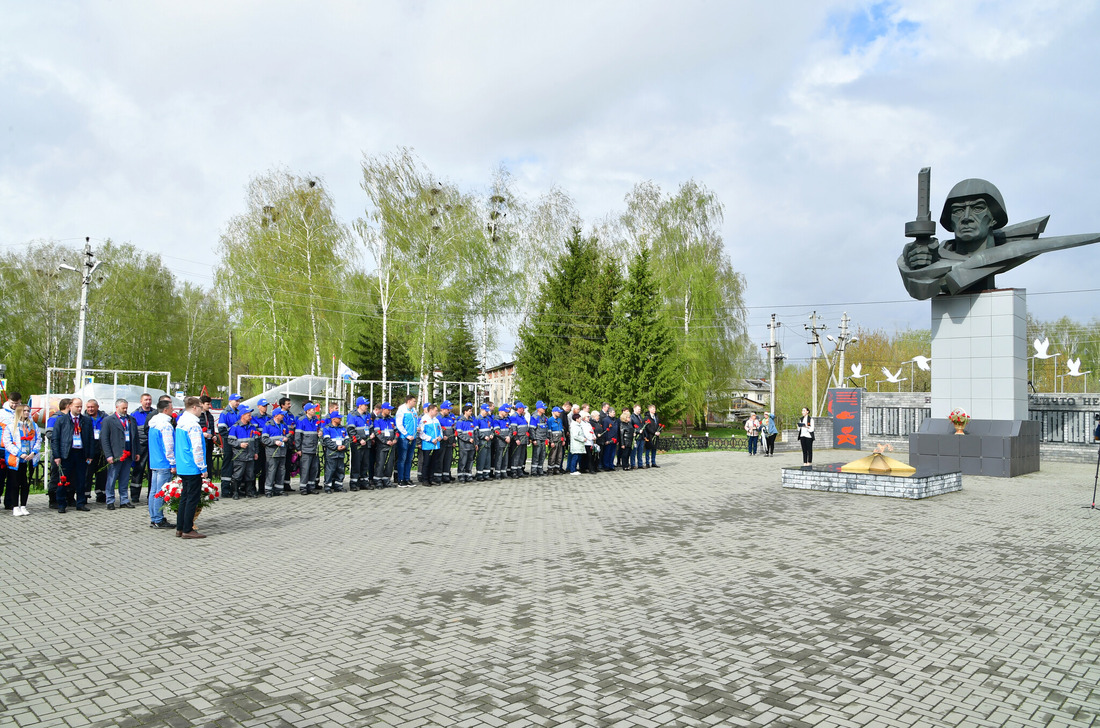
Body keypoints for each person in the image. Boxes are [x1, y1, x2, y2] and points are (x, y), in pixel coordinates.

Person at [52, 397, 95, 513]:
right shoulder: (61, 421)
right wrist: (57, 456)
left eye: (81, 406)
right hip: (67, 453)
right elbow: (55, 439)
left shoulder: (86, 421)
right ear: (70, 406)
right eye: (77, 406)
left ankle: (80, 502)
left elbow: (91, 439)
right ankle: (61, 503)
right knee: (64, 480)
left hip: (81, 453)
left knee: (81, 479)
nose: (79, 408)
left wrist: (90, 455)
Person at [174, 397, 208, 539]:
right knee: (192, 499)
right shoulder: (193, 425)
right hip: (192, 466)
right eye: (200, 407)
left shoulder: (181, 422)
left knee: (185, 497)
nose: (202, 410)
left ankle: (180, 527)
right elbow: (197, 448)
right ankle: (188, 529)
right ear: (194, 407)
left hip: (182, 465)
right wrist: (203, 467)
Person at [101, 398, 139, 510]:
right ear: (117, 407)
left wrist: (136, 452)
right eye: (123, 408)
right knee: (112, 478)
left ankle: (124, 500)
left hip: (128, 453)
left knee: (125, 478)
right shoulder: (109, 420)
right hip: (116, 454)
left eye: (126, 407)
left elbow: (135, 437)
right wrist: (108, 455)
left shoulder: (131, 419)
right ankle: (110, 500)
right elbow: (104, 439)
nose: (125, 410)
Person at [3, 404, 39, 516]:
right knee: (14, 484)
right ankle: (15, 506)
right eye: (24, 411)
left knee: (25, 483)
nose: (27, 413)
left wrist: (34, 452)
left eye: (28, 411)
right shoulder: (10, 426)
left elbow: (38, 439)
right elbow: (7, 443)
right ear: (19, 412)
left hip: (29, 459)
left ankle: (23, 505)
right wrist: (19, 454)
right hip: (16, 460)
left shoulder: (33, 425)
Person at [146, 399, 177, 530]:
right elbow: (168, 446)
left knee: (154, 491)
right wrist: (173, 463)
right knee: (160, 492)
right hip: (164, 463)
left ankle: (154, 517)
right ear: (166, 410)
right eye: (171, 408)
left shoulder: (153, 423)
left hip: (154, 461)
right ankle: (158, 519)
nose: (172, 410)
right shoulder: (166, 425)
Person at [129, 393, 154, 504]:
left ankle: (151, 495)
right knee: (138, 470)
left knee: (152, 471)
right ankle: (135, 496)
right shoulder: (135, 414)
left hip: (153, 446)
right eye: (145, 400)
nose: (148, 402)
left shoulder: (155, 413)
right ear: (141, 401)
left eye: (149, 399)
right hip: (141, 446)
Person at [228, 406, 258, 499]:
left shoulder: (252, 427)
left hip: (250, 455)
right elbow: (230, 441)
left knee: (250, 475)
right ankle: (235, 492)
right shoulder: (235, 427)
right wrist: (239, 444)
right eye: (248, 415)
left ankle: (249, 492)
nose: (250, 417)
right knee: (237, 475)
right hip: (240, 455)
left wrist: (256, 452)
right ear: (243, 416)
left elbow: (256, 441)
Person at [84, 398, 107, 503]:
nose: (90, 409)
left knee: (102, 474)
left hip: (102, 450)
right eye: (88, 407)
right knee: (87, 474)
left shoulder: (105, 418)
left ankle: (101, 494)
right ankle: (85, 495)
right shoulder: (83, 418)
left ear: (97, 407)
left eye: (92, 407)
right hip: (89, 451)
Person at [261, 409, 289, 497]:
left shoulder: (284, 425)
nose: (283, 416)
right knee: (271, 471)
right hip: (272, 452)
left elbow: (288, 435)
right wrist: (274, 442)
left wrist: (287, 439)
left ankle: (279, 489)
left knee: (281, 471)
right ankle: (268, 490)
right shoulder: (268, 425)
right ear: (276, 415)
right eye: (282, 415)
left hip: (282, 452)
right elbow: (264, 439)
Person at [295, 403, 321, 495]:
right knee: (305, 469)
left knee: (313, 469)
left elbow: (318, 430)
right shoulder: (301, 420)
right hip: (305, 449)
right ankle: (303, 488)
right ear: (308, 411)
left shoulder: (315, 420)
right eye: (313, 409)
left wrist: (319, 434)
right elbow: (298, 436)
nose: (314, 411)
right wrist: (298, 449)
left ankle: (311, 487)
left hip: (314, 449)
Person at [217, 393, 242, 487]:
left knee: (236, 464)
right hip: (228, 443)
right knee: (227, 464)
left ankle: (235, 487)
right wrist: (231, 439)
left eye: (239, 401)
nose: (238, 403)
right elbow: (221, 430)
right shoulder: (225, 413)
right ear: (230, 401)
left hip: (237, 442)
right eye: (236, 401)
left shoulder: (238, 412)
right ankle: (225, 488)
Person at [347, 397, 371, 491]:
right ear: (360, 405)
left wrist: (372, 434)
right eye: (365, 405)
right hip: (357, 444)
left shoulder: (367, 415)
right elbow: (351, 430)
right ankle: (354, 483)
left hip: (367, 442)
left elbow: (370, 426)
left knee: (365, 463)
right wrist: (359, 439)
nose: (367, 407)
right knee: (356, 463)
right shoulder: (352, 415)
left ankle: (364, 482)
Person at [394, 395, 418, 487]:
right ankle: (400, 479)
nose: (415, 403)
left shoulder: (413, 410)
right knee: (402, 459)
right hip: (404, 438)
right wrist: (407, 435)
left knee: (409, 459)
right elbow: (399, 424)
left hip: (413, 437)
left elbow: (415, 421)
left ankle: (407, 478)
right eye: (413, 401)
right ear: (408, 401)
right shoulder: (402, 410)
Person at [372, 403, 398, 488]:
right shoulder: (377, 420)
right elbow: (377, 433)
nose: (390, 411)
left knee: (390, 463)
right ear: (383, 409)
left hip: (391, 445)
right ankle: (378, 480)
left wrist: (395, 439)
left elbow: (396, 431)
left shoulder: (391, 419)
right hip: (382, 445)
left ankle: (387, 479)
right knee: (380, 462)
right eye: (388, 409)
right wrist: (385, 441)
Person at [322, 412, 348, 493]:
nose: (340, 419)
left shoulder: (343, 429)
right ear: (333, 419)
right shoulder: (327, 428)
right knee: (330, 470)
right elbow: (327, 441)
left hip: (341, 454)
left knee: (340, 470)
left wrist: (345, 446)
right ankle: (328, 486)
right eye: (339, 418)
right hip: (332, 453)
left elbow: (347, 439)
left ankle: (338, 486)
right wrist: (336, 447)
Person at [251, 399, 271, 495]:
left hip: (268, 446)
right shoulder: (254, 417)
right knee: (256, 468)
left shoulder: (270, 418)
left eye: (266, 405)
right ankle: (253, 488)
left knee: (265, 468)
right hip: (258, 446)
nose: (265, 407)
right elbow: (254, 432)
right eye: (263, 406)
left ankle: (262, 488)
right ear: (258, 406)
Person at [455, 404, 477, 483]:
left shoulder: (471, 421)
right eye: (469, 411)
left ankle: (468, 474)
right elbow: (459, 434)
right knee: (463, 460)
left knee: (470, 460)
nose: (471, 412)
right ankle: (461, 475)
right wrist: (468, 439)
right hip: (464, 446)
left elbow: (475, 433)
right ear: (465, 412)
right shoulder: (460, 422)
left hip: (471, 446)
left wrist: (476, 443)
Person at [508, 402, 530, 478]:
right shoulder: (514, 417)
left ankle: (520, 471)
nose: (523, 409)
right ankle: (514, 471)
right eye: (522, 408)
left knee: (521, 456)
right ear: (519, 409)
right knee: (516, 456)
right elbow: (514, 429)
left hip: (523, 439)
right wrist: (516, 439)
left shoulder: (522, 416)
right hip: (518, 440)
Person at [437, 401, 456, 484]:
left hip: (450, 442)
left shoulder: (450, 418)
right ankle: (438, 476)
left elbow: (453, 430)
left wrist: (454, 441)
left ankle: (446, 475)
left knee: (448, 460)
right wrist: (441, 436)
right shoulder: (438, 418)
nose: (449, 411)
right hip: (442, 442)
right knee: (440, 460)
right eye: (448, 409)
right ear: (443, 409)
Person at [474, 404, 494, 481]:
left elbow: (491, 429)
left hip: (488, 442)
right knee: (481, 459)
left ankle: (486, 474)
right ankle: (479, 474)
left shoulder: (488, 419)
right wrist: (483, 436)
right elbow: (476, 431)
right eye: (486, 411)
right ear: (481, 410)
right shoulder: (478, 419)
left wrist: (492, 435)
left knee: (487, 459)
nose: (487, 412)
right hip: (482, 442)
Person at [198, 395, 216, 478]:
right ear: (201, 404)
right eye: (207, 404)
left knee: (209, 462)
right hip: (201, 443)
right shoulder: (197, 416)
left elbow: (212, 428)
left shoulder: (210, 416)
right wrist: (202, 434)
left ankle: (209, 481)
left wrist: (214, 435)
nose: (209, 406)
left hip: (209, 443)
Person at [529, 402, 549, 476]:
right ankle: (534, 471)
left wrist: (547, 437)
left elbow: (546, 428)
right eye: (543, 408)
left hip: (543, 439)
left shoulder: (545, 417)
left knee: (542, 455)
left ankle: (540, 470)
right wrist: (533, 439)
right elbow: (532, 429)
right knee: (536, 455)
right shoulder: (534, 417)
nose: (544, 409)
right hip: (537, 439)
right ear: (538, 408)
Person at [491, 406, 510, 480]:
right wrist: (505, 438)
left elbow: (511, 429)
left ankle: (503, 472)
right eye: (505, 412)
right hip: (500, 441)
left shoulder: (507, 419)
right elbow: (497, 432)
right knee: (499, 458)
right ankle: (497, 473)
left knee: (505, 457)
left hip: (507, 441)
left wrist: (509, 437)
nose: (506, 413)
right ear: (501, 411)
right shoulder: (496, 420)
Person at [547, 406, 565, 475]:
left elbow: (562, 430)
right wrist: (551, 441)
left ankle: (556, 469)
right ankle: (550, 470)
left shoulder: (560, 420)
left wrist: (564, 439)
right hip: (554, 440)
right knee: (552, 455)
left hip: (560, 440)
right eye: (558, 412)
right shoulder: (550, 420)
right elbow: (549, 431)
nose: (559, 413)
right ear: (554, 412)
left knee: (559, 455)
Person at [630, 405, 645, 470]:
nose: (639, 410)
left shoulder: (640, 416)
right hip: (636, 437)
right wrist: (638, 431)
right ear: (634, 409)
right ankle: (633, 464)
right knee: (634, 452)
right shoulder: (632, 417)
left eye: (640, 409)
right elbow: (631, 427)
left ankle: (640, 464)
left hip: (641, 437)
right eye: (638, 409)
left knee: (640, 451)